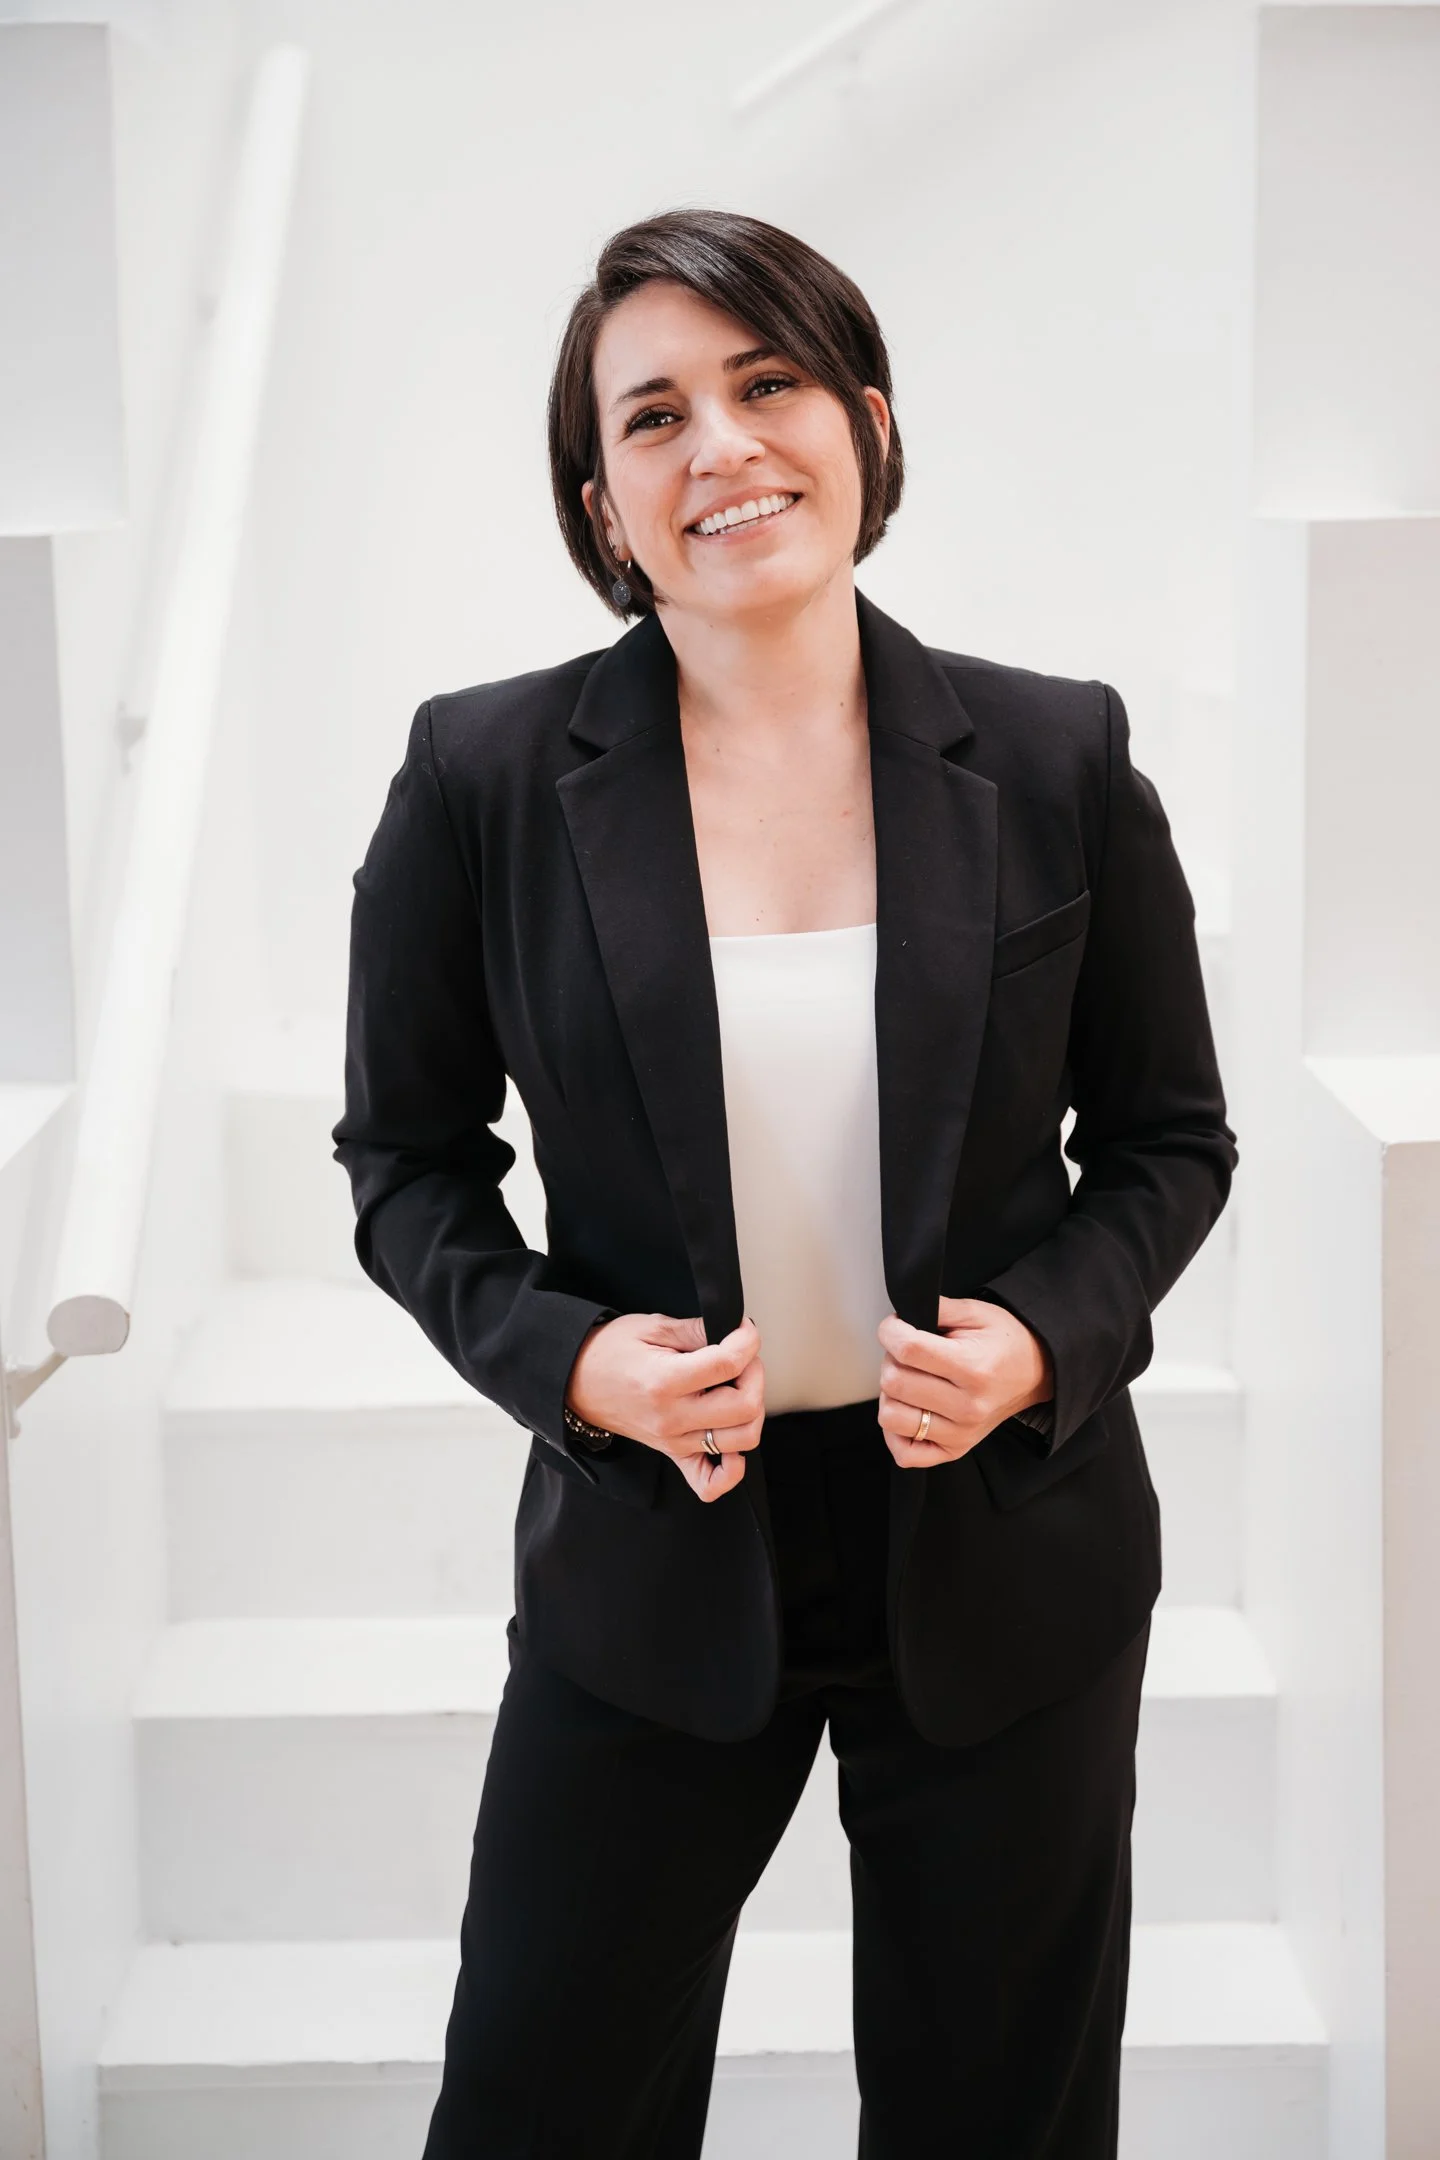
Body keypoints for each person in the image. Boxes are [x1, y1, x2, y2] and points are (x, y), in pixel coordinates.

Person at [331, 207, 1238, 2159]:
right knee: (541, 2107)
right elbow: (407, 1164)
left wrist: (1041, 1345)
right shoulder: (480, 780)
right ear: (603, 503)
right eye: (652, 417)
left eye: (767, 385)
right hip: (655, 1553)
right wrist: (574, 1365)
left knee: (996, 2119)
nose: (719, 447)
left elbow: (1170, 1141)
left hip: (1006, 1549)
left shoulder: (1060, 754)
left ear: (867, 427)